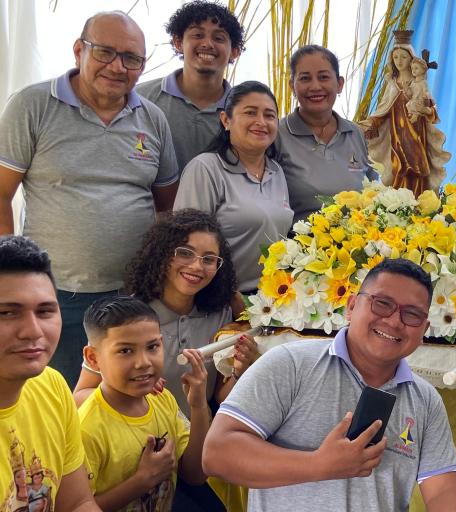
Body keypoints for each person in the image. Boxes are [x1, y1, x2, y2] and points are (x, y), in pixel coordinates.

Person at [202, 259, 456, 512]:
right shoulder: (290, 364)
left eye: (411, 315)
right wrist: (319, 465)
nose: (395, 321)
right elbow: (216, 453)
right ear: (352, 305)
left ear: (423, 329)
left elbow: (443, 493)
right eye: (382, 304)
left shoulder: (423, 399)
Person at [0, 11, 180, 387]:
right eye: (105, 52)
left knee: (121, 400)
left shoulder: (153, 118)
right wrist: (11, 276)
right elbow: (2, 192)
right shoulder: (32, 105)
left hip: (133, 295)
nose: (117, 66)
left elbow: (167, 206)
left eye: (131, 58)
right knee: (55, 396)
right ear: (79, 50)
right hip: (57, 294)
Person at [73, 209, 248, 512]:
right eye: (185, 252)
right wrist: (130, 401)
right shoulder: (131, 318)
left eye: (209, 259)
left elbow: (219, 396)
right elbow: (81, 393)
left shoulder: (221, 313)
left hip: (190, 443)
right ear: (163, 252)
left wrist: (242, 371)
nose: (197, 266)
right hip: (133, 454)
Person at [0, 235, 176, 512]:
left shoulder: (51, 387)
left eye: (45, 310)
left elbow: (75, 507)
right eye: (7, 313)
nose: (32, 330)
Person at [78, 296, 219, 512]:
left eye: (152, 347)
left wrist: (199, 406)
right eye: (125, 351)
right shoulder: (88, 427)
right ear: (93, 358)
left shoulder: (161, 398)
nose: (143, 362)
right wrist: (142, 480)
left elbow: (195, 475)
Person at [174, 81, 293, 294]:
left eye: (269, 115)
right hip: (218, 299)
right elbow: (186, 247)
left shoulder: (276, 172)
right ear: (226, 120)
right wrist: (229, 298)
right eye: (250, 113)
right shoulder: (206, 169)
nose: (261, 122)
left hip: (271, 299)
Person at [136, 1, 245, 172]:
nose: (207, 44)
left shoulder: (244, 111)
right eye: (197, 35)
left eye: (218, 38)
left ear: (235, 51)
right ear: (178, 43)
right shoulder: (140, 99)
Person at [278, 45, 378, 223]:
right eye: (305, 78)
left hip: (356, 245)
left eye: (323, 77)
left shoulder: (356, 133)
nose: (315, 86)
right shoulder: (277, 134)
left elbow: (372, 191)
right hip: (296, 246)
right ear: (292, 86)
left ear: (339, 84)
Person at [360, 31, 449, 196]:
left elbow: (431, 107)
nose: (399, 61)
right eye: (396, 58)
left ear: (411, 59)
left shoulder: (420, 83)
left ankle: (418, 196)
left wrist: (425, 110)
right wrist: (373, 122)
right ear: (391, 60)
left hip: (415, 130)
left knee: (417, 163)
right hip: (397, 131)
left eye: (404, 57)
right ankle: (400, 199)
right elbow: (383, 108)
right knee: (399, 165)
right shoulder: (392, 84)